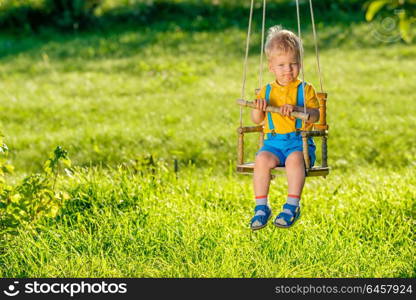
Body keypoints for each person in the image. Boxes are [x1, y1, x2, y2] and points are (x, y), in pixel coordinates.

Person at [250, 25, 320, 230]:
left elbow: (315, 116)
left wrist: (300, 108)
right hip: (273, 143)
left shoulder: (305, 89)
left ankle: (291, 206)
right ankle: (261, 207)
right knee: (261, 159)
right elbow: (256, 119)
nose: (288, 70)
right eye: (281, 65)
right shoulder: (266, 90)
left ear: (300, 64)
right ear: (271, 67)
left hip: (298, 143)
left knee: (295, 160)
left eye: (293, 64)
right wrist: (259, 107)